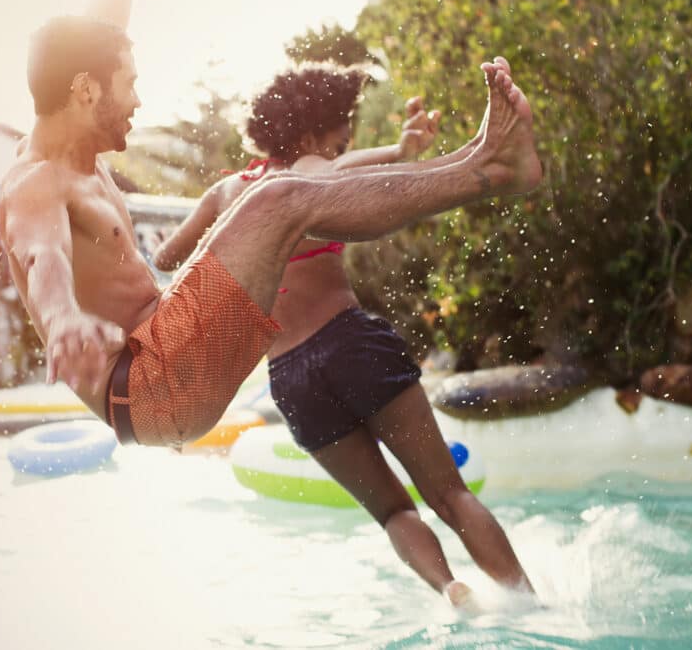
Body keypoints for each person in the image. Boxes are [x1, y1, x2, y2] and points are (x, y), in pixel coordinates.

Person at [0, 0, 542, 453]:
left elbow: (100, 29)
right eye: (131, 84)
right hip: (148, 387)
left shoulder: (78, 98)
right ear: (88, 91)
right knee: (276, 196)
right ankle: (493, 171)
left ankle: (480, 156)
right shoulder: (36, 182)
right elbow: (42, 254)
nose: (139, 100)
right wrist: (61, 318)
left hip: (164, 355)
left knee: (284, 190)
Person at [153, 65, 534, 606]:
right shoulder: (311, 172)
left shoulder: (228, 194)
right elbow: (348, 172)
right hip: (351, 343)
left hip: (290, 378)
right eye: (340, 133)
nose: (344, 145)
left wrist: (218, 246)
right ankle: (526, 601)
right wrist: (399, 152)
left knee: (393, 512)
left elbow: (169, 260)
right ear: (309, 138)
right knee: (447, 493)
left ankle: (450, 588)